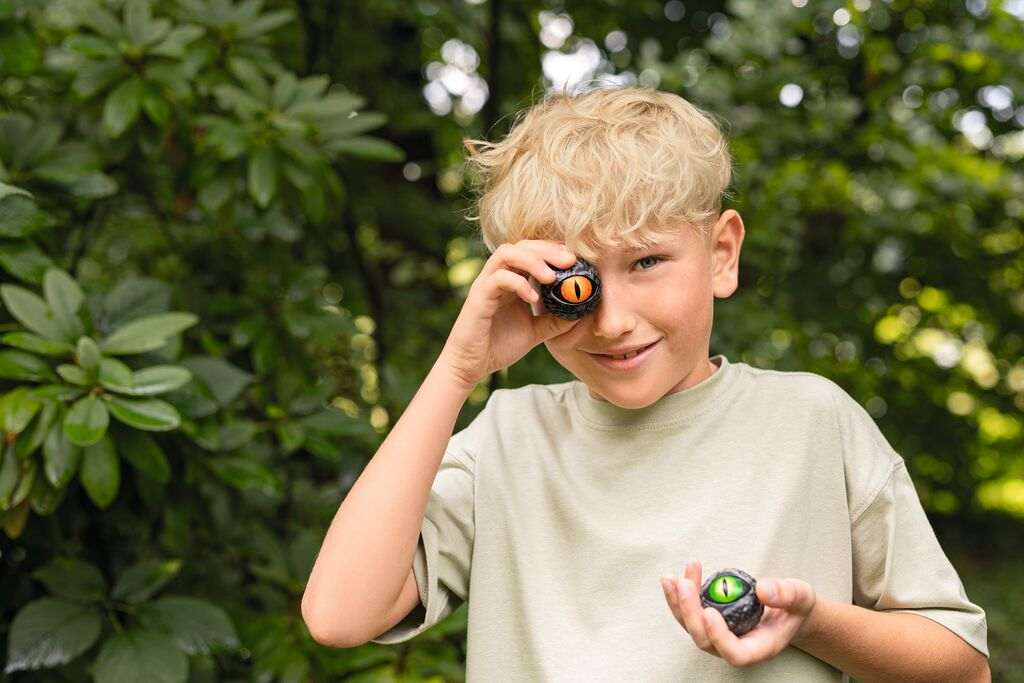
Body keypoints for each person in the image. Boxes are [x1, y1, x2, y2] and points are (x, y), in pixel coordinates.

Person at [301, 86, 990, 681]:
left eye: (648, 261)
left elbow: (962, 666)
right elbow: (338, 614)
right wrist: (457, 371)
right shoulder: (509, 439)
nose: (613, 321)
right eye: (578, 283)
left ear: (721, 253)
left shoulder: (813, 422)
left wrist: (812, 622)